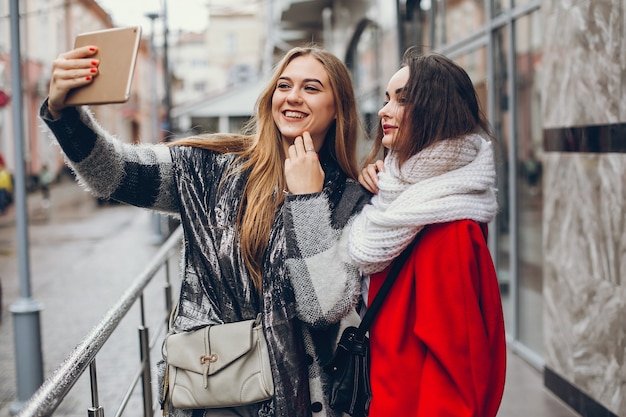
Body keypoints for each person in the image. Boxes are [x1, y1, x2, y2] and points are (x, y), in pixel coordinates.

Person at [40, 44, 371, 417]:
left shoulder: (348, 196)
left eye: (311, 88)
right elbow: (114, 174)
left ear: (337, 107)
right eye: (284, 85)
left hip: (294, 399)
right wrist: (63, 113)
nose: (293, 97)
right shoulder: (210, 170)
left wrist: (307, 200)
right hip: (208, 389)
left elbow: (321, 309)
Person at [349, 48, 507, 416]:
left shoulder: (450, 227)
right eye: (386, 99)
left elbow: (458, 370)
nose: (384, 111)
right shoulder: (395, 199)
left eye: (402, 101)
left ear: (437, 110)